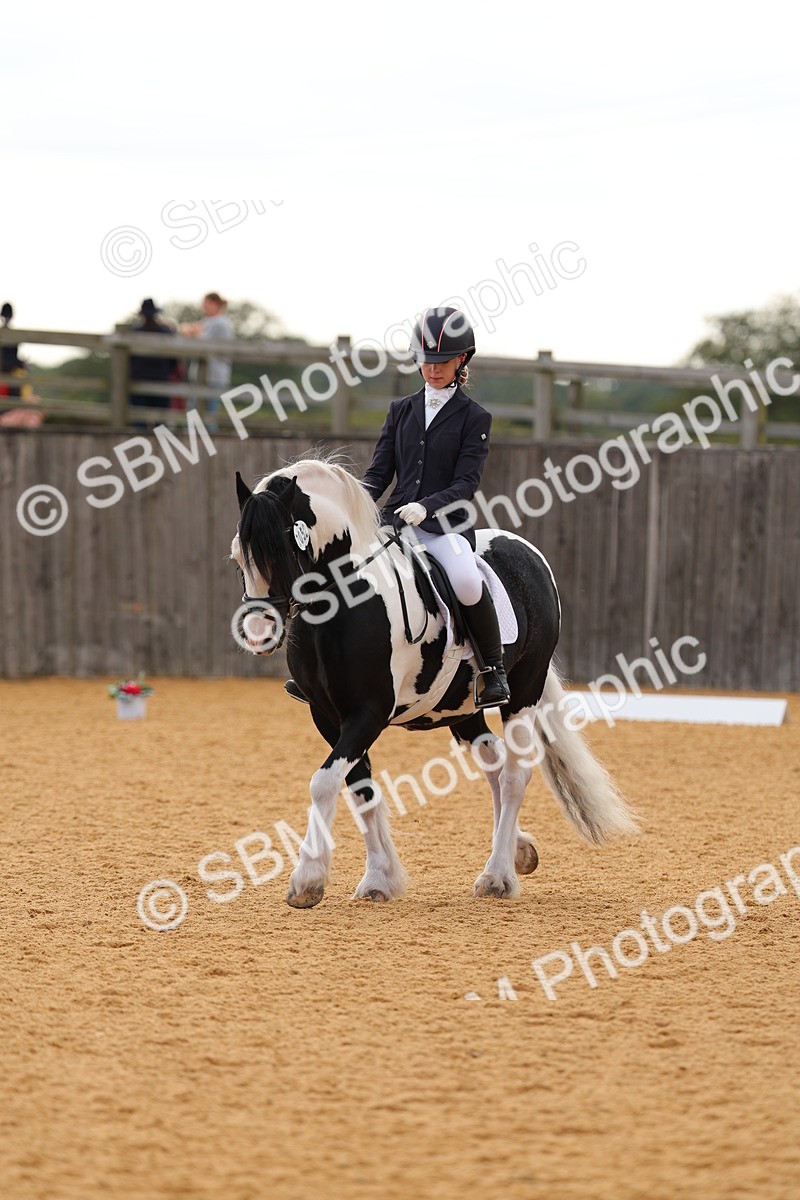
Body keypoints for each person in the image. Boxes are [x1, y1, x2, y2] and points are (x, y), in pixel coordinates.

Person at [285, 306, 511, 709]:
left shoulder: (475, 417)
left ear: (461, 360)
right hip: (394, 525)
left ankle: (493, 670)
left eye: (442, 362)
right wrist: (351, 501)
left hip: (444, 528)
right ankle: (316, 670)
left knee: (465, 579)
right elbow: (377, 475)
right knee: (339, 572)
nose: (433, 369)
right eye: (426, 360)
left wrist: (426, 507)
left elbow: (466, 483)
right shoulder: (400, 411)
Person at [181, 292, 233, 423]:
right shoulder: (208, 321)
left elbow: (202, 342)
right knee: (194, 414)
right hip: (201, 374)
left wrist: (192, 332)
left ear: (215, 304)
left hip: (213, 375)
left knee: (207, 415)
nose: (203, 307)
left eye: (206, 304)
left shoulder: (221, 323)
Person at [129, 298, 179, 421]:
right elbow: (174, 358)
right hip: (161, 379)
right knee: (161, 422)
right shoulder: (166, 332)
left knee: (139, 420)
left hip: (138, 380)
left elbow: (129, 359)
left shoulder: (135, 332)